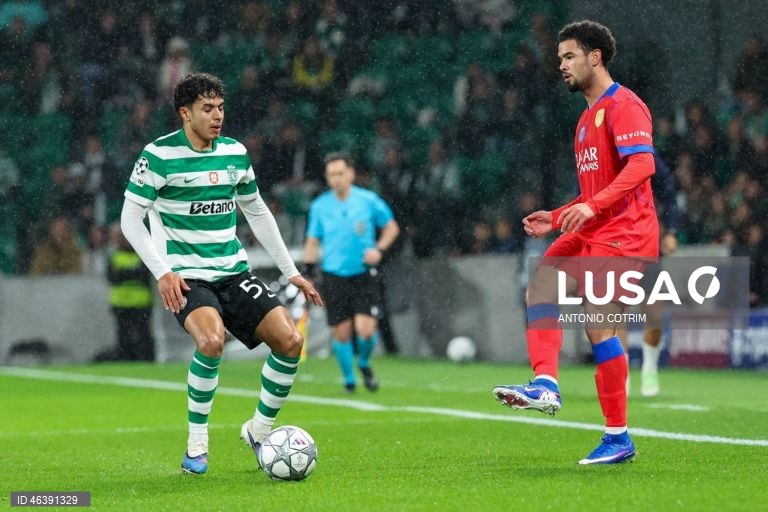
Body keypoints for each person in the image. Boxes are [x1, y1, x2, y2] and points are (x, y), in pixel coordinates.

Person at [119, 73, 323, 475]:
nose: (217, 116)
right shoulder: (158, 156)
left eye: (221, 108)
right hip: (187, 278)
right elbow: (129, 219)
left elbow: (258, 212)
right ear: (185, 113)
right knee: (211, 342)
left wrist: (291, 271)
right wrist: (162, 272)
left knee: (290, 340)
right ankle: (197, 442)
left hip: (232, 272)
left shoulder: (234, 152)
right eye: (207, 109)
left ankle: (259, 431)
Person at [492, 20, 659, 465]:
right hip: (593, 225)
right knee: (541, 284)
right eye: (559, 58)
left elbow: (642, 165)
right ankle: (546, 383)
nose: (561, 65)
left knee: (598, 321)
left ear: (595, 57)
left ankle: (619, 437)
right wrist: (561, 214)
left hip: (626, 230)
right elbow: (593, 191)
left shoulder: (624, 104)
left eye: (569, 56)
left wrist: (591, 206)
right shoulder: (585, 120)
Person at [303, 152, 400, 393]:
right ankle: (349, 379)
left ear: (351, 174)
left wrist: (379, 249)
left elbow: (391, 227)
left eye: (340, 173)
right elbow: (313, 241)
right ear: (327, 178)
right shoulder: (319, 206)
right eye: (332, 174)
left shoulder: (369, 200)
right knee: (342, 332)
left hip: (364, 273)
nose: (336, 179)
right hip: (333, 275)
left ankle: (364, 362)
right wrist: (308, 271)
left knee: (366, 330)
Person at [95, 223, 156, 362]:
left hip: (141, 302)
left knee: (144, 336)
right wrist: (133, 272)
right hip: (121, 303)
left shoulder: (142, 252)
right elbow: (112, 277)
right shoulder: (114, 255)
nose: (123, 239)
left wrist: (123, 273)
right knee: (123, 337)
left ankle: (146, 361)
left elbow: (144, 274)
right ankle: (127, 360)